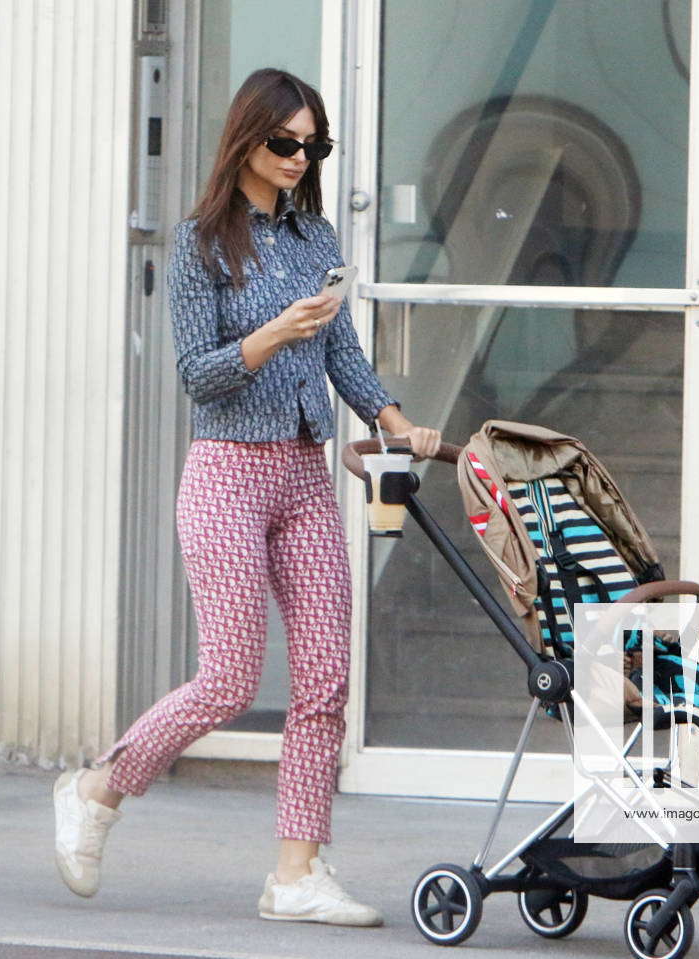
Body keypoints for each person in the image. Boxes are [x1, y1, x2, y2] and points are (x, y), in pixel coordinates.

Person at [52, 67, 441, 926]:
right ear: (248, 139)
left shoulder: (316, 238)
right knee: (229, 675)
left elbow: (342, 355)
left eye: (315, 144)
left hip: (304, 475)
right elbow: (199, 376)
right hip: (228, 469)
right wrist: (269, 335)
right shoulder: (199, 243)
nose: (301, 157)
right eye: (285, 142)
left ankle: (296, 874)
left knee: (324, 681)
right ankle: (97, 787)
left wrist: (395, 418)